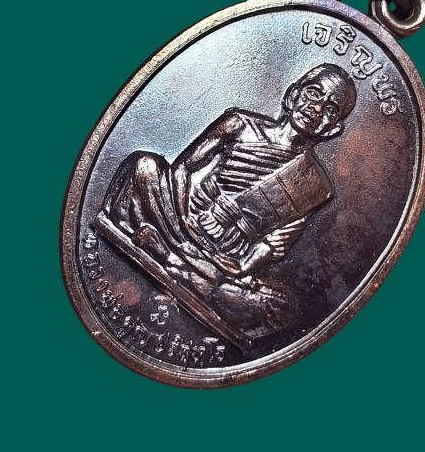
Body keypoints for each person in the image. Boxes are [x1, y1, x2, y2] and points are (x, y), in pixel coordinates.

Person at [98, 63, 357, 341]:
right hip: (182, 219)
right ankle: (190, 269)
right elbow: (184, 168)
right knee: (144, 167)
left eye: (331, 110)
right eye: (313, 93)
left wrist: (241, 268)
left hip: (225, 255)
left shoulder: (315, 185)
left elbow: (274, 245)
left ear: (333, 129)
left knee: (279, 308)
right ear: (293, 95)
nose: (316, 108)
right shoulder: (239, 124)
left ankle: (171, 255)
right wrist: (183, 218)